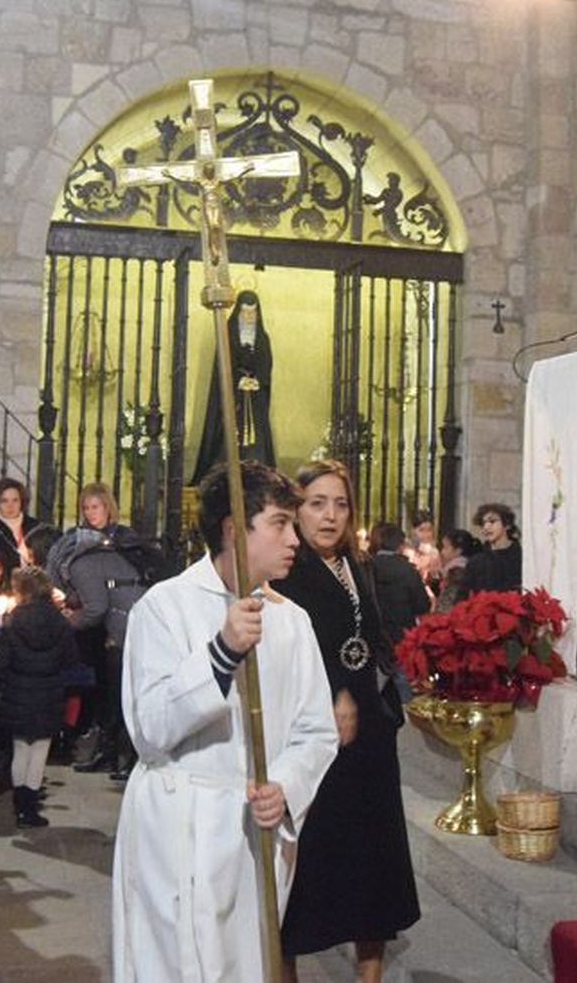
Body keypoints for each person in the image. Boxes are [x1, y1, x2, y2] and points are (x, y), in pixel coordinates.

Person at [112, 461, 337, 981]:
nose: (294, 538)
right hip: (177, 824)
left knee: (245, 966)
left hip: (251, 832)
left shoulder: (291, 619)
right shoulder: (163, 608)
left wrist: (285, 786)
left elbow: (315, 730)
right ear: (236, 528)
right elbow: (149, 730)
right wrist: (221, 652)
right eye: (280, 523)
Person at [272, 462, 419, 980]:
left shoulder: (357, 566)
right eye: (316, 503)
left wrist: (387, 687)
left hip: (369, 735)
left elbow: (372, 634)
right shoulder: (286, 569)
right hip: (314, 736)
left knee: (373, 861)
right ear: (296, 509)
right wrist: (326, 697)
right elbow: (279, 657)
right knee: (306, 868)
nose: (329, 515)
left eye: (339, 504)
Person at [49, 483, 157, 780]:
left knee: (121, 692)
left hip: (118, 627)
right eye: (85, 508)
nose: (90, 513)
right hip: (100, 630)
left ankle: (124, 754)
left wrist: (68, 618)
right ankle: (109, 751)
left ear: (108, 507)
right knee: (104, 693)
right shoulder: (82, 543)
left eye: (95, 507)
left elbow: (97, 603)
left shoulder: (121, 541)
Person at [0, 565, 74, 828]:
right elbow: (71, 658)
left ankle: (19, 804)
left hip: (18, 692)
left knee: (21, 749)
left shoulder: (14, 620)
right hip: (48, 694)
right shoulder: (60, 621)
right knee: (39, 751)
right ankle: (30, 808)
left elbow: (1, 662)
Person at [191, 289, 275, 481]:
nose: (249, 316)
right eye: (245, 312)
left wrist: (259, 381)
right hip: (232, 397)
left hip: (254, 398)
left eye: (253, 312)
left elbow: (266, 364)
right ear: (238, 311)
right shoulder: (227, 334)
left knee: (258, 442)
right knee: (227, 437)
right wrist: (238, 379)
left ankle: (257, 476)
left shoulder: (262, 338)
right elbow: (223, 363)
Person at [367, 521, 431, 646]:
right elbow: (422, 605)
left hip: (373, 633)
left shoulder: (366, 566)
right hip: (402, 635)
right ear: (401, 545)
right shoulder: (407, 569)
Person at [459, 502, 522, 597]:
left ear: (507, 525)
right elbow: (462, 596)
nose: (486, 527)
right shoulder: (476, 562)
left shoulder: (522, 557)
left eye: (492, 521)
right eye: (483, 523)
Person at [405, 510, 442, 590]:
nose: (426, 534)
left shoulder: (434, 552)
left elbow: (436, 577)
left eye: (429, 530)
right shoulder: (406, 551)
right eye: (421, 530)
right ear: (413, 531)